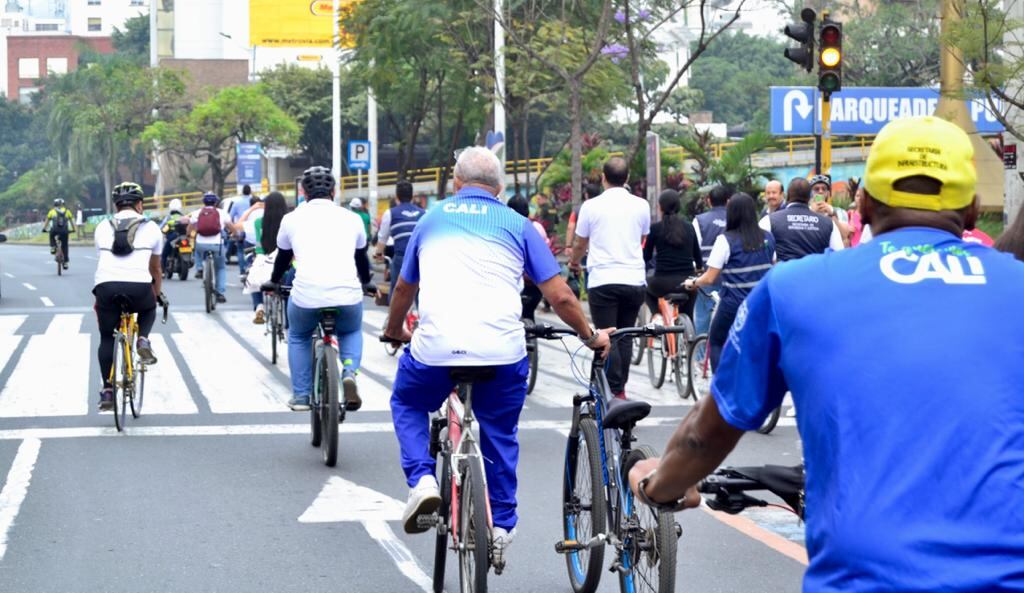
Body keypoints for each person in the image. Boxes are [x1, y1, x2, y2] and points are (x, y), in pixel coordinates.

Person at [628, 116, 1024, 593]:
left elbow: (706, 434)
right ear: (974, 211)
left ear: (865, 204)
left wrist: (661, 484)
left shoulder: (795, 288)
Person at [384, 147, 611, 558]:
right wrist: (589, 335)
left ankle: (422, 482)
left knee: (407, 400)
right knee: (500, 432)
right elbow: (559, 295)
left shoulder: (431, 219)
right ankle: (502, 525)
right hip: (501, 355)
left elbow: (403, 289)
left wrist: (393, 329)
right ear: (500, 188)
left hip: (436, 353)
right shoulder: (518, 224)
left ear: (455, 184)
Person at [267, 166, 373, 412]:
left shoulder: (292, 219)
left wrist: (274, 281)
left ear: (303, 192)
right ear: (334, 191)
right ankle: (348, 370)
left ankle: (302, 396)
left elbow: (283, 258)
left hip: (306, 296)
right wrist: (366, 282)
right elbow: (361, 259)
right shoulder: (352, 218)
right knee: (350, 331)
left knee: (298, 336)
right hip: (347, 295)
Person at [569, 157, 650, 399]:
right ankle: (620, 390)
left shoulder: (591, 206)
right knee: (624, 336)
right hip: (634, 279)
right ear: (626, 178)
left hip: (603, 279)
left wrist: (574, 262)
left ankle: (611, 392)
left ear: (603, 178)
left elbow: (580, 242)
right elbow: (643, 235)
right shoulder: (642, 205)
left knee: (607, 335)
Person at [93, 182, 164, 411]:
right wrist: (157, 292)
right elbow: (156, 270)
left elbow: (103, 260)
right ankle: (143, 338)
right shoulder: (151, 227)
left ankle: (107, 390)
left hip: (106, 287)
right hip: (138, 288)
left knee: (106, 337)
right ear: (139, 204)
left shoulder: (102, 227)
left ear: (116, 205)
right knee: (149, 306)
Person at [683, 193, 773, 370]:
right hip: (760, 303)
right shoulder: (768, 237)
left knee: (716, 340)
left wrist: (692, 283)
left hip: (734, 304)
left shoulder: (726, 240)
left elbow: (710, 277)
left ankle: (720, 385)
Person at [643, 189, 703, 322]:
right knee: (688, 313)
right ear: (679, 207)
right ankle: (688, 332)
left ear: (660, 207)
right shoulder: (689, 227)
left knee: (645, 288)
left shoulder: (655, 228)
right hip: (686, 283)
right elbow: (698, 259)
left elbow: (645, 257)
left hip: (661, 283)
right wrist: (698, 269)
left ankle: (657, 315)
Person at [761, 177, 844, 261]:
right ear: (809, 197)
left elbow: (759, 253)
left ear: (788, 196)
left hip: (784, 272)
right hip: (816, 272)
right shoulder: (829, 224)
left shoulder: (769, 221)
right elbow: (839, 257)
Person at [234, 192, 286, 323]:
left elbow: (237, 226)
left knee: (253, 279)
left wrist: (252, 208)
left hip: (262, 262)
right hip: (283, 263)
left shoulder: (258, 223)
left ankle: (259, 305)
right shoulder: (288, 221)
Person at [692, 184, 732, 338]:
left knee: (703, 316)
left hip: (707, 275)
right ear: (728, 201)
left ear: (709, 201)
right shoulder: (735, 218)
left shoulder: (700, 220)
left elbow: (695, 248)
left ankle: (701, 356)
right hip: (730, 276)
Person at [375, 181, 425, 302]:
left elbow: (382, 239)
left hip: (401, 258)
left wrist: (378, 254)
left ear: (396, 197)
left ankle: (395, 316)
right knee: (422, 291)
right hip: (421, 258)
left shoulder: (390, 213)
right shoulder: (424, 213)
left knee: (397, 290)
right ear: (412, 197)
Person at [507, 194, 547, 321]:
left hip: (515, 282)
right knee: (529, 316)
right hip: (536, 282)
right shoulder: (537, 227)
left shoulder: (507, 229)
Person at [188, 192, 230, 303]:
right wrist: (236, 234)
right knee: (220, 268)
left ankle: (199, 269)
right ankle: (220, 293)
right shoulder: (222, 213)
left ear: (204, 202)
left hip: (201, 244)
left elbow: (190, 227)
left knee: (197, 251)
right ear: (216, 202)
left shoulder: (197, 212)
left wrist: (188, 235)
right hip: (218, 245)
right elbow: (231, 226)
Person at [808, 174, 852, 245]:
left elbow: (845, 236)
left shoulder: (839, 211)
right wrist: (811, 213)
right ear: (811, 193)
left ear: (828, 193)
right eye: (816, 189)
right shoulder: (805, 211)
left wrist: (831, 215)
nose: (820, 191)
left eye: (824, 189)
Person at [43, 198, 76, 269]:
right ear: (63, 204)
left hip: (55, 230)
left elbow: (47, 221)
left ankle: (53, 247)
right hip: (64, 231)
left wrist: (44, 229)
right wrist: (73, 229)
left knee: (51, 235)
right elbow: (72, 222)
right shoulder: (67, 211)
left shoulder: (51, 211)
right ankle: (66, 262)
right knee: (65, 245)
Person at [230, 185, 255, 274]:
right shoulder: (255, 201)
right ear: (250, 191)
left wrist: (232, 230)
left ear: (242, 192)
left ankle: (242, 271)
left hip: (241, 230)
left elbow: (230, 217)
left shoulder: (237, 203)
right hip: (255, 230)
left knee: (240, 251)